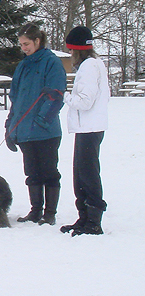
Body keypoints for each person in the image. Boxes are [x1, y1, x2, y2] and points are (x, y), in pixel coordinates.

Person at [6, 23, 67, 226]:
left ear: (37, 41)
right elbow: (16, 98)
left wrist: (42, 120)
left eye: (27, 44)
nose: (24, 48)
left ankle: (49, 213)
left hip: (46, 131)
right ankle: (35, 210)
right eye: (21, 44)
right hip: (24, 131)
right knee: (32, 173)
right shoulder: (23, 66)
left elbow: (56, 95)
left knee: (49, 172)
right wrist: (10, 126)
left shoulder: (51, 62)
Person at [60, 26, 110, 236]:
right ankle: (84, 217)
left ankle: (94, 221)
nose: (70, 55)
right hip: (88, 127)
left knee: (88, 174)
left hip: (90, 127)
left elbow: (85, 101)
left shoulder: (89, 67)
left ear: (77, 50)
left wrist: (63, 95)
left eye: (71, 51)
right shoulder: (94, 64)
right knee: (80, 174)